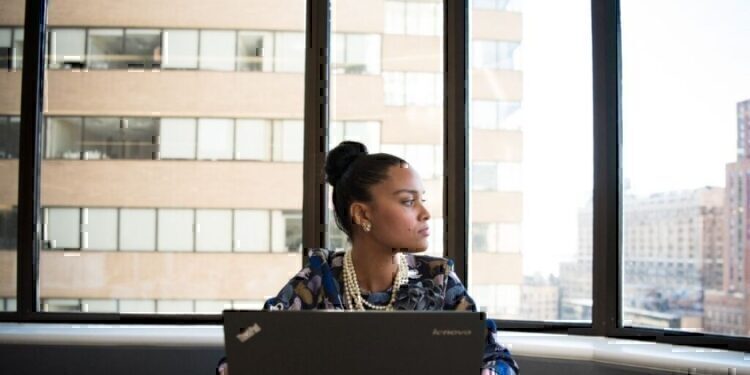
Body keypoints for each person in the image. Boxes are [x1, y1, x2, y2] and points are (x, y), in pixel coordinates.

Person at [217, 141, 520, 375]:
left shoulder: (438, 280)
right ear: (362, 214)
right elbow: (246, 348)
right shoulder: (317, 280)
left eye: (421, 200)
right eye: (408, 201)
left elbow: (495, 356)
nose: (425, 213)